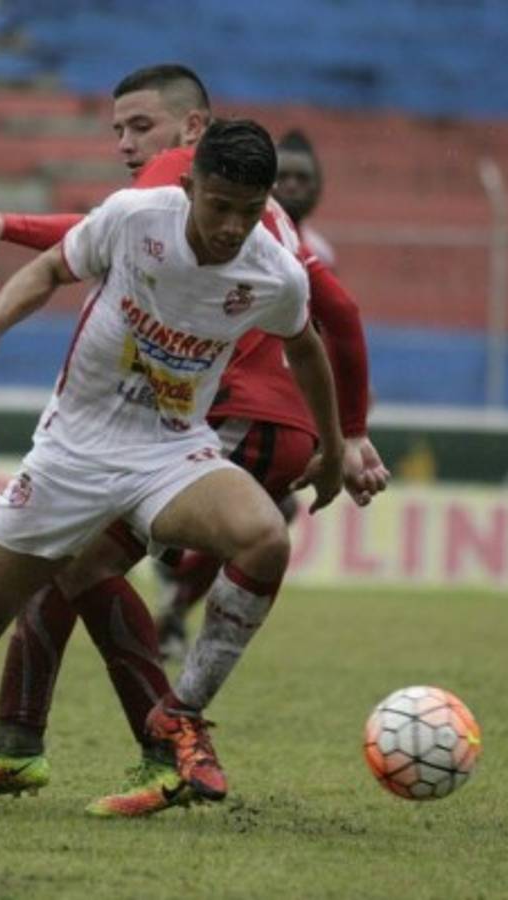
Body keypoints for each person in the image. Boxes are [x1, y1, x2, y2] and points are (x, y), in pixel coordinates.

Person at [0, 118, 346, 812]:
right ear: (187, 188)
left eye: (248, 208)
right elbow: (51, 267)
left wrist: (332, 446)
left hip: (170, 448)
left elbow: (308, 347)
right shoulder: (134, 218)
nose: (233, 225)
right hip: (71, 453)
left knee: (265, 538)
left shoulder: (273, 270)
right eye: (218, 205)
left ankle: (182, 717)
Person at [0, 65, 389, 817]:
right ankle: (38, 743)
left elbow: (85, 239)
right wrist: (348, 436)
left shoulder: (192, 187)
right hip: (261, 424)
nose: (128, 146)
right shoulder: (251, 214)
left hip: (231, 416)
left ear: (193, 131)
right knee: (66, 564)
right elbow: (340, 307)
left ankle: (161, 745)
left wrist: (1, 222)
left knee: (71, 563)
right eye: (117, 131)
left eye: (141, 127)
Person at [152, 126, 341, 656]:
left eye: (308, 178)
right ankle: (164, 586)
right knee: (250, 518)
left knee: (264, 517)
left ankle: (170, 596)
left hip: (278, 407)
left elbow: (322, 335)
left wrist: (346, 427)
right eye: (291, 178)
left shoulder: (311, 255)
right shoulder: (236, 239)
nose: (299, 187)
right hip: (222, 399)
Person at [273, 128, 337, 270]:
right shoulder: (249, 243)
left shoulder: (321, 254)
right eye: (282, 176)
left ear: (316, 185)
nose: (292, 186)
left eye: (302, 178)